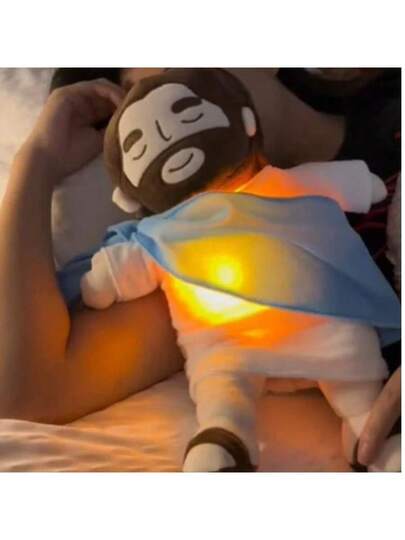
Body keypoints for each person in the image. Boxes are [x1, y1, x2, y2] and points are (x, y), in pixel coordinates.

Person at [0, 69, 400, 468]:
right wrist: (35, 162)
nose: (163, 116)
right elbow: (27, 390)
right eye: (138, 98)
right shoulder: (194, 257)